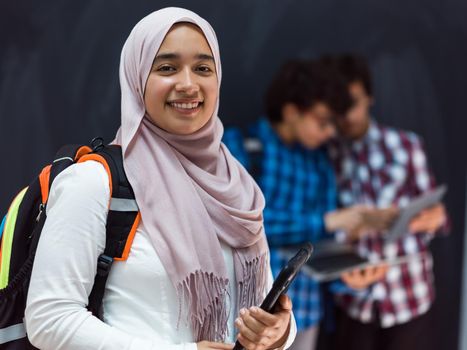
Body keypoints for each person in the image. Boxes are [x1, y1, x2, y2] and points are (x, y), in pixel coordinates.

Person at [24, 8, 297, 350]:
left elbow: (257, 303)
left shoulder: (235, 184)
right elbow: (49, 319)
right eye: (167, 68)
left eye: (202, 68)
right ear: (137, 78)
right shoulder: (95, 182)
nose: (187, 84)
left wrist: (279, 332)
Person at [223, 60, 387, 350]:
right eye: (323, 122)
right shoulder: (241, 147)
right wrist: (326, 221)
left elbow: (323, 245)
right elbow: (238, 224)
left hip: (306, 313)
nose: (329, 133)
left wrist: (347, 275)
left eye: (334, 125)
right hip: (245, 315)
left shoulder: (320, 162)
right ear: (291, 111)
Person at [323, 53, 448, 350]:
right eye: (338, 107)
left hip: (408, 293)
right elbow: (322, 224)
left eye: (352, 103)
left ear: (369, 97)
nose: (346, 116)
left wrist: (434, 217)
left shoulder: (406, 146)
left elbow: (437, 217)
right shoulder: (326, 153)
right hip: (354, 300)